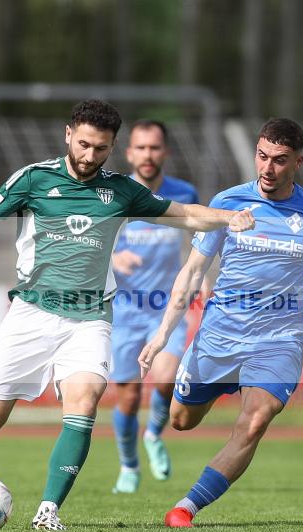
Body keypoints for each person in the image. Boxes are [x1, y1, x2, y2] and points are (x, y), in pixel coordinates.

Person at [0, 100, 254, 532]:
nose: (89, 155)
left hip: (90, 318)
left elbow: (182, 214)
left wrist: (229, 218)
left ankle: (48, 511)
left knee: (85, 401)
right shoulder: (33, 179)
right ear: (68, 134)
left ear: (113, 147)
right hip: (31, 314)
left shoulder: (121, 191)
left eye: (100, 148)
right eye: (83, 144)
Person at [137, 117, 303, 528]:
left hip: (279, 340)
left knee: (255, 421)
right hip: (220, 336)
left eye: (279, 160)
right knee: (181, 420)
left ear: (298, 162)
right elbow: (193, 271)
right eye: (262, 156)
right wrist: (162, 336)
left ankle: (185, 508)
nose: (268, 168)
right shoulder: (228, 203)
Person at [109, 120, 200, 494]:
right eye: (141, 148)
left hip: (166, 309)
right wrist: (114, 258)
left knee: (166, 378)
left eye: (155, 147)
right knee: (129, 398)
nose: (148, 154)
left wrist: (204, 274)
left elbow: (201, 242)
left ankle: (153, 434)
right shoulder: (114, 195)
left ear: (165, 152)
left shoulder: (183, 194)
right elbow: (89, 244)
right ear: (130, 153)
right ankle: (129, 467)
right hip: (124, 311)